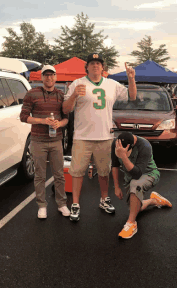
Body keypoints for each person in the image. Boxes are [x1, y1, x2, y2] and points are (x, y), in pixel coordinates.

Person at [63, 53, 137, 221]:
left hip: (105, 136)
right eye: (92, 63)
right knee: (77, 172)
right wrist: (74, 95)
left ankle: (104, 199)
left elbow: (131, 97)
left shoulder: (112, 84)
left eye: (98, 63)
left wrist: (131, 79)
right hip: (82, 136)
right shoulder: (78, 83)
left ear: (103, 67)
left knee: (104, 171)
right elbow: (66, 109)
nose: (95, 66)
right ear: (86, 67)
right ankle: (75, 203)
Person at [20, 65, 70, 219]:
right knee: (40, 175)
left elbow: (66, 119)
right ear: (41, 78)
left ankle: (62, 204)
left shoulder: (61, 95)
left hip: (56, 140)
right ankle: (42, 205)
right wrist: (42, 121)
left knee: (59, 174)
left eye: (51, 75)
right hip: (37, 140)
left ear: (56, 77)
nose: (49, 78)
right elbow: (23, 117)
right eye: (46, 75)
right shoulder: (32, 93)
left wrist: (58, 124)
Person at [111, 131, 172, 239]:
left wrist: (124, 156)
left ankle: (131, 224)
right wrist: (116, 187)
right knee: (135, 209)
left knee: (136, 184)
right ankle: (154, 200)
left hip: (149, 173)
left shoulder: (144, 145)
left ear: (131, 146)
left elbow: (137, 173)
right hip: (130, 176)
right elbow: (115, 165)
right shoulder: (116, 143)